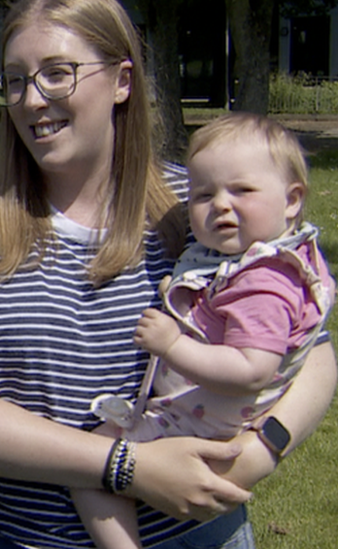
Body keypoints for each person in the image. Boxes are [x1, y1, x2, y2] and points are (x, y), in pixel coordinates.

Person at [0, 0, 337, 548]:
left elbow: (312, 347)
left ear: (122, 80)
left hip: (196, 536)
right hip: (20, 539)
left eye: (57, 74)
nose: (32, 99)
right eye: (14, 81)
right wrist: (125, 467)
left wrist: (261, 450)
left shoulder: (198, 208)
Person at [70, 112, 335, 548]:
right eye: (203, 194)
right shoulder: (255, 259)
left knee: (95, 463)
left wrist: (173, 344)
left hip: (203, 424)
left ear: (292, 200)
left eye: (242, 190)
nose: (221, 205)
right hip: (208, 421)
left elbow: (252, 369)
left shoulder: (265, 282)